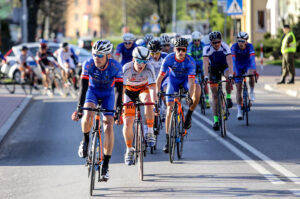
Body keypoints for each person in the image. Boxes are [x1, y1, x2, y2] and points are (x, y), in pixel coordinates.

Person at [71, 40, 123, 181]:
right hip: (92, 92)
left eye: (100, 55)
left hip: (108, 94)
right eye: (94, 54)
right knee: (87, 115)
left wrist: (118, 110)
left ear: (108, 55)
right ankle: (86, 140)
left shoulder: (116, 66)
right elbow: (83, 87)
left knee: (108, 124)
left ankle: (105, 165)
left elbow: (119, 90)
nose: (96, 58)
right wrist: (79, 108)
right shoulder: (88, 64)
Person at [156, 37, 201, 153]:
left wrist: (190, 96)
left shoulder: (190, 61)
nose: (181, 52)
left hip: (186, 81)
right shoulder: (168, 59)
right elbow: (159, 79)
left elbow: (191, 82)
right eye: (179, 49)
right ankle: (167, 140)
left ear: (186, 50)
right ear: (174, 49)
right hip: (173, 81)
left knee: (198, 89)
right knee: (169, 109)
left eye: (184, 50)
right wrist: (157, 92)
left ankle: (189, 114)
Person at [122, 46, 158, 165]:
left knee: (149, 100)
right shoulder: (126, 68)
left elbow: (153, 88)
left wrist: (154, 104)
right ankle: (129, 149)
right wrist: (121, 105)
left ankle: (150, 131)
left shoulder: (149, 68)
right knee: (128, 122)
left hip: (143, 90)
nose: (142, 64)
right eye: (139, 61)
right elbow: (121, 90)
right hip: (129, 92)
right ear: (133, 59)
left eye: (144, 61)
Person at [203, 31, 234, 130]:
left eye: (218, 42)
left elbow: (230, 61)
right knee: (215, 95)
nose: (216, 44)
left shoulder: (225, 46)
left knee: (228, 76)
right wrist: (206, 76)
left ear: (221, 41)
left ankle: (228, 97)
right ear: (210, 42)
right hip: (213, 69)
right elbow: (205, 64)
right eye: (214, 42)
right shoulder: (207, 49)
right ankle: (216, 120)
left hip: (224, 66)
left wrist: (230, 74)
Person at [231, 32, 258, 119]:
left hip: (247, 65)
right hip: (238, 66)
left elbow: (252, 59)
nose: (240, 43)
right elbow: (233, 61)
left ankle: (252, 91)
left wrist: (254, 70)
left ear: (246, 41)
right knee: (238, 89)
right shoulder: (234, 47)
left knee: (251, 73)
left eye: (242, 41)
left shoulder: (250, 46)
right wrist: (234, 72)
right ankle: (239, 111)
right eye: (239, 41)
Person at [188, 31, 210, 108]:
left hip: (201, 63)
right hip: (193, 64)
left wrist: (208, 63)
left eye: (198, 40)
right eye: (195, 40)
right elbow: (189, 56)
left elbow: (207, 55)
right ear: (192, 40)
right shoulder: (190, 46)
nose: (196, 42)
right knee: (193, 81)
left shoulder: (203, 45)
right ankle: (195, 95)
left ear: (200, 40)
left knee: (204, 81)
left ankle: (207, 100)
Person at [147, 39, 168, 120]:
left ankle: (165, 109)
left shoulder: (165, 56)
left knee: (165, 94)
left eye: (157, 53)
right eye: (152, 53)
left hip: (164, 79)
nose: (155, 56)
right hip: (152, 79)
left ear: (160, 51)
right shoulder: (147, 58)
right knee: (153, 97)